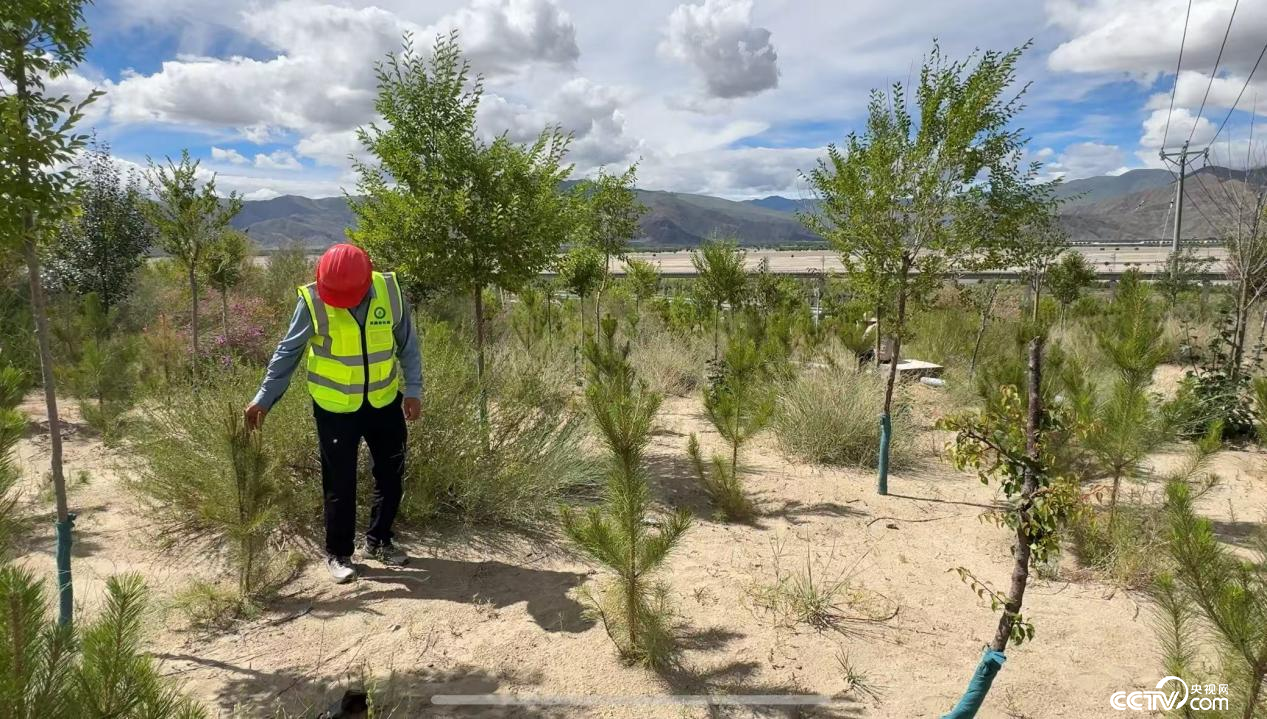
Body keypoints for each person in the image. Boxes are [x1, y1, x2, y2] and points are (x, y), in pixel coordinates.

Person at [244, 243, 422, 583]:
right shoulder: (312, 301)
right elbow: (288, 352)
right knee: (339, 483)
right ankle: (339, 553)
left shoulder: (389, 291)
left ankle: (380, 540)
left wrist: (413, 389)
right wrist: (265, 397)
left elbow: (407, 343)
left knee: (391, 473)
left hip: (384, 400)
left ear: (367, 280)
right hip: (335, 406)